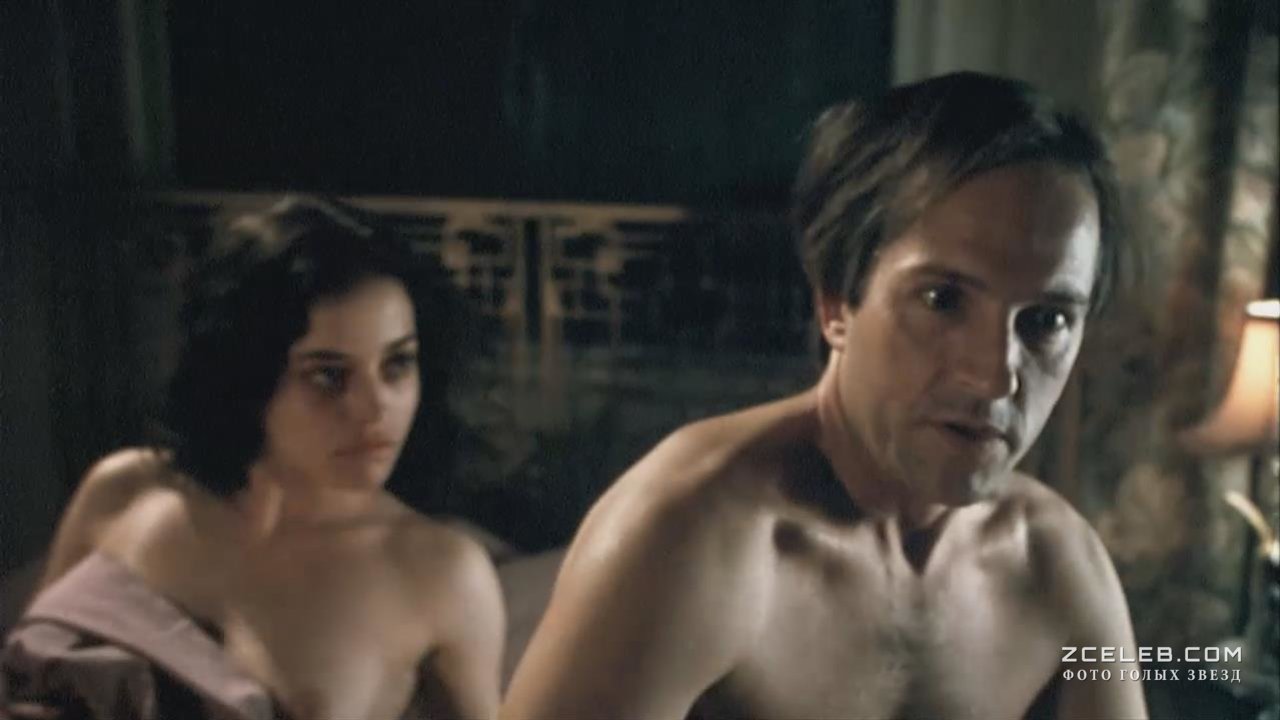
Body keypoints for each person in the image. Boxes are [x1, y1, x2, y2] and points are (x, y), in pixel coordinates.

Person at [501, 72, 1147, 720]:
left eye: (1046, 320)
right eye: (942, 300)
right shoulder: (689, 535)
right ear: (836, 302)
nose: (995, 377)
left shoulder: (1057, 565)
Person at [3, 198, 505, 720]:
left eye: (397, 364)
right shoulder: (125, 491)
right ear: (246, 377)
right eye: (329, 375)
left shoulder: (440, 573)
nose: (377, 407)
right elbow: (27, 676)